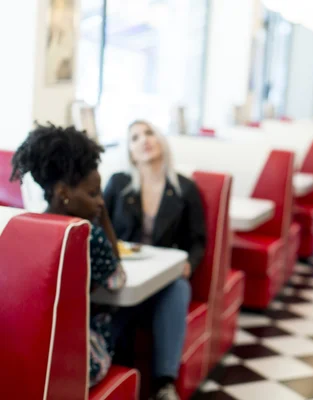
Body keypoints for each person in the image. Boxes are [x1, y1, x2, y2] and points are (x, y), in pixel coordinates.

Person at [10, 124, 126, 387]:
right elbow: (116, 280)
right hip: (71, 356)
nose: (99, 201)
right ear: (63, 192)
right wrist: (105, 219)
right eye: (93, 194)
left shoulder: (25, 225)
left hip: (24, 347)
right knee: (122, 316)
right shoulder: (88, 236)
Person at [103, 120, 207, 400]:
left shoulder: (185, 188)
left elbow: (197, 240)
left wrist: (189, 264)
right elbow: (101, 228)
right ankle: (109, 373)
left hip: (163, 279)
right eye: (134, 137)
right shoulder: (118, 183)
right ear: (130, 151)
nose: (144, 140)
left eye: (149, 133)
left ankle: (164, 384)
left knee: (179, 288)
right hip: (125, 275)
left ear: (161, 140)